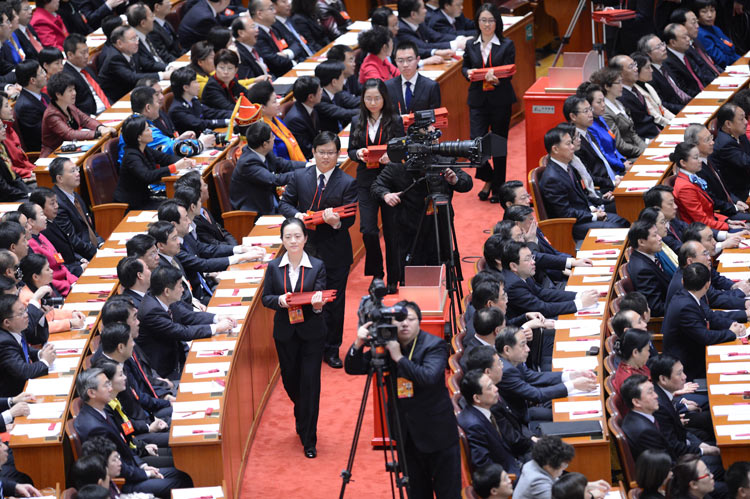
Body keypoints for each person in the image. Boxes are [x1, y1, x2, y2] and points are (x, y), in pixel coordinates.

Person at [346, 300, 461, 498]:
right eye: (399, 320)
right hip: (406, 436)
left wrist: (399, 358)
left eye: (410, 319)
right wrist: (359, 343)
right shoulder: (388, 343)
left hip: (438, 435)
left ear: (419, 321)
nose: (405, 324)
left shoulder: (434, 345)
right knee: (416, 493)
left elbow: (429, 377)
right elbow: (352, 367)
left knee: (448, 494)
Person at [280, 132, 356, 368]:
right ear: (313, 152)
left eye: (331, 153)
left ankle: (332, 348)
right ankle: (307, 346)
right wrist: (297, 216)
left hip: (335, 250)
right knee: (306, 299)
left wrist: (336, 221)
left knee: (334, 301)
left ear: (338, 154)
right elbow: (285, 203)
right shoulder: (299, 176)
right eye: (321, 152)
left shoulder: (347, 182)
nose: (325, 157)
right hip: (305, 250)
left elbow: (350, 219)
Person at [260, 217, 326, 458]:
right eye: (288, 237)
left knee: (310, 384)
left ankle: (309, 438)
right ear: (282, 240)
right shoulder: (274, 267)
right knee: (291, 382)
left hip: (311, 333)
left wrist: (318, 306)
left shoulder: (317, 266)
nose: (293, 240)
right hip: (285, 333)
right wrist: (280, 300)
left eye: (297, 236)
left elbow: (321, 300)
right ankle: (301, 411)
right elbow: (266, 298)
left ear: (305, 238)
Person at [74, 368, 193, 497]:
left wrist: (142, 466)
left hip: (133, 467)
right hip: (125, 482)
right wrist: (144, 473)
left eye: (109, 383)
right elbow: (112, 466)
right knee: (180, 481)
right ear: (91, 393)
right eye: (106, 385)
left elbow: (123, 444)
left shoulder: (100, 411)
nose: (110, 388)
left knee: (183, 474)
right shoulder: (94, 427)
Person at [349, 78, 404, 292]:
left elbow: (403, 148)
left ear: (384, 99)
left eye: (376, 98)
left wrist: (392, 156)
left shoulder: (394, 120)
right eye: (368, 98)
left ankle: (394, 277)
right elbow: (351, 151)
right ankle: (377, 274)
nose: (372, 102)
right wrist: (359, 154)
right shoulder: (357, 121)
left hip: (390, 179)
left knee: (392, 231)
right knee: (368, 230)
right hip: (366, 180)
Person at [137, 265, 234, 380]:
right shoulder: (151, 311)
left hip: (177, 357)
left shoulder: (163, 297)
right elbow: (181, 332)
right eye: (180, 286)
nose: (183, 290)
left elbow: (188, 316)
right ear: (167, 291)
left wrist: (217, 318)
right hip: (165, 371)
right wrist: (216, 328)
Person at [461, 3, 514, 202]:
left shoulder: (507, 44)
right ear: (477, 22)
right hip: (477, 100)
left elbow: (510, 71)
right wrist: (467, 73)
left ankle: (499, 187)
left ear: (497, 22)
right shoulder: (470, 44)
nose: (487, 24)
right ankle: (490, 178)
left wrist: (498, 79)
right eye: (483, 20)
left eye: (491, 20)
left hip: (500, 99)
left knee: (499, 144)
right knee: (475, 145)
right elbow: (465, 66)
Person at [538, 126, 629, 240]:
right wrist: (593, 216)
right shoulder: (552, 178)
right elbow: (565, 213)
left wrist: (595, 206)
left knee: (623, 220)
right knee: (617, 228)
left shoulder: (567, 166)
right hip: (572, 226)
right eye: (568, 144)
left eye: (572, 143)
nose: (572, 147)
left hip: (583, 215)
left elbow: (582, 195)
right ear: (555, 149)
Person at [496, 327, 597, 427]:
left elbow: (533, 377)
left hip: (528, 408)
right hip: (520, 422)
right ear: (507, 350)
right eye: (523, 345)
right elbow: (537, 395)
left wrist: (571, 375)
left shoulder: (512, 360)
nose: (528, 349)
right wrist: (573, 385)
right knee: (568, 421)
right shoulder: (506, 371)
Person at [663, 262, 743, 380]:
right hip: (687, 368)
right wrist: (731, 333)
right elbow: (705, 337)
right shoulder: (686, 306)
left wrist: (732, 324)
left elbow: (709, 316)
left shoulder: (686, 295)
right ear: (707, 285)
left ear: (683, 282)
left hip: (695, 353)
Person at [650, 355, 722, 465]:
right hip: (679, 463)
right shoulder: (659, 406)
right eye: (679, 373)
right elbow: (674, 446)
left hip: (686, 445)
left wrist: (700, 445)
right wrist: (702, 450)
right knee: (728, 464)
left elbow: (682, 432)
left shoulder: (662, 394)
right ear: (663, 379)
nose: (684, 377)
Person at [114, 115, 192, 210]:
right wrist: (174, 167)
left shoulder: (144, 149)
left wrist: (183, 161)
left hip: (144, 198)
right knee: (176, 208)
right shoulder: (131, 156)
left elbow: (164, 158)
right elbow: (148, 176)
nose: (151, 132)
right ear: (139, 137)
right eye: (147, 130)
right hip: (131, 205)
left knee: (181, 202)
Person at [230, 120, 305, 215]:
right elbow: (274, 180)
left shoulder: (264, 151)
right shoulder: (247, 162)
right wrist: (302, 173)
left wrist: (307, 165)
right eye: (272, 137)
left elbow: (282, 164)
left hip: (269, 200)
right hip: (254, 213)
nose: (274, 139)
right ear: (265, 144)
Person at [458, 369, 522, 474]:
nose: (496, 389)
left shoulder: (484, 409)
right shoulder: (474, 425)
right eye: (489, 388)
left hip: (513, 461)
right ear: (477, 398)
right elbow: (484, 466)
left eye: (493, 384)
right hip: (509, 476)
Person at [685, 123, 750, 221]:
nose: (712, 142)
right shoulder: (696, 170)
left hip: (730, 204)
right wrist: (734, 207)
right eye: (707, 140)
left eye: (711, 137)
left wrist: (736, 201)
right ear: (694, 146)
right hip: (721, 215)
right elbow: (712, 200)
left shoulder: (708, 157)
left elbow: (724, 188)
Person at [40, 72, 114, 157]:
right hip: (54, 155)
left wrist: (101, 128)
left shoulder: (69, 105)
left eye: (74, 89)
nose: (74, 93)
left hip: (72, 150)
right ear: (58, 94)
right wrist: (98, 133)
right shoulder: (51, 115)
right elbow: (69, 134)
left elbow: (86, 120)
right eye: (70, 90)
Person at [672, 141, 739, 231]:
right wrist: (728, 226)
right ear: (683, 163)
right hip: (703, 232)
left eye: (699, 156)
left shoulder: (692, 178)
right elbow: (702, 221)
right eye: (696, 158)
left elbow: (708, 212)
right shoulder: (685, 188)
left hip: (712, 223)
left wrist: (727, 220)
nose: (700, 161)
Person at [0, 293, 56, 397]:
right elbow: (24, 371)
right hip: (14, 398)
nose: (26, 315)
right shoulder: (3, 343)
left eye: (25, 309)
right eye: (20, 313)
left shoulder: (16, 329)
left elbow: (24, 350)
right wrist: (45, 361)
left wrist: (40, 353)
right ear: (7, 322)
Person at [18, 252, 84, 339]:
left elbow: (50, 313)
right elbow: (42, 327)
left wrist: (71, 314)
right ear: (35, 277)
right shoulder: (28, 298)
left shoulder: (38, 289)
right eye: (47, 269)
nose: (52, 271)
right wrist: (70, 323)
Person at [99, 25, 172, 103]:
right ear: (120, 43)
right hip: (116, 100)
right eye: (133, 39)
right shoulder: (114, 58)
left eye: (137, 37)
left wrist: (168, 67)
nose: (137, 42)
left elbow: (147, 64)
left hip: (134, 91)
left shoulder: (131, 49)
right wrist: (162, 75)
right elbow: (132, 77)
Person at [563, 95, 620, 195]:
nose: (591, 114)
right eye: (586, 111)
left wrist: (615, 177)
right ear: (573, 116)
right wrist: (612, 183)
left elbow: (602, 161)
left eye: (590, 109)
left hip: (613, 179)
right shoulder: (574, 143)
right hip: (602, 190)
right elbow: (587, 176)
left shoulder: (587, 133)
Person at [21, 201, 78, 295]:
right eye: (42, 215)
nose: (45, 218)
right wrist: (68, 287)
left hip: (69, 282)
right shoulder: (30, 245)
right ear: (31, 221)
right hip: (59, 290)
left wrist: (73, 281)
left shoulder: (41, 236)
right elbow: (44, 276)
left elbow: (60, 263)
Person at [589, 67, 646, 160]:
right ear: (607, 87)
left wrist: (646, 148)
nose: (622, 86)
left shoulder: (619, 103)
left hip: (636, 150)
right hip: (627, 156)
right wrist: (643, 152)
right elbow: (619, 145)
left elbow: (632, 133)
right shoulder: (605, 112)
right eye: (618, 82)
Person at [247, 80, 307, 161]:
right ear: (262, 108)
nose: (278, 104)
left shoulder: (276, 119)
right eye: (274, 102)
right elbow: (275, 162)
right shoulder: (262, 132)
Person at [175, 171, 237, 246]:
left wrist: (235, 245)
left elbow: (221, 230)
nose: (207, 187)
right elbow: (211, 245)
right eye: (204, 185)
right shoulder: (193, 219)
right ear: (198, 192)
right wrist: (234, 249)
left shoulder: (203, 209)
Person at [609, 54, 661, 140]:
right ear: (619, 74)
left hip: (655, 132)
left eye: (635, 65)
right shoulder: (620, 96)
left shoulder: (635, 89)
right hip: (645, 139)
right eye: (631, 67)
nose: (636, 69)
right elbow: (638, 127)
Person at [168, 66, 230, 135]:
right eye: (195, 82)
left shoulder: (193, 100)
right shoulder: (177, 110)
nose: (198, 85)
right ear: (186, 87)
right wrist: (226, 121)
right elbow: (199, 124)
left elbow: (210, 112)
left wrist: (233, 115)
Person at [638, 33, 690, 114]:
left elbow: (682, 88)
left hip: (688, 103)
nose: (663, 48)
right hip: (676, 113)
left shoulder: (665, 64)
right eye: (658, 47)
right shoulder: (649, 75)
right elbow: (662, 104)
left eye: (662, 44)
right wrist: (685, 108)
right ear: (648, 54)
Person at [627, 220, 671, 316]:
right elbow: (656, 308)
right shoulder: (643, 270)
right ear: (641, 242)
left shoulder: (645, 257)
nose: (660, 238)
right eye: (655, 235)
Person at [386, 40, 441, 115]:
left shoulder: (431, 87)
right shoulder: (388, 86)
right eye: (400, 61)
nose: (405, 65)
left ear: (418, 60)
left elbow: (436, 118)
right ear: (395, 62)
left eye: (409, 60)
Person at [396, 0, 465, 60]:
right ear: (413, 14)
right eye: (423, 8)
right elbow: (423, 46)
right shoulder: (401, 30)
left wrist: (460, 39)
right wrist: (456, 44)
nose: (426, 11)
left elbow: (437, 36)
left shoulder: (419, 23)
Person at [62, 33, 109, 116]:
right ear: (70, 55)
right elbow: (73, 109)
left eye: (87, 51)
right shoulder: (66, 77)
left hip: (108, 107)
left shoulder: (85, 67)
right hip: (93, 116)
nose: (87, 56)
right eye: (83, 53)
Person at [711, 103, 750, 202]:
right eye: (741, 119)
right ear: (728, 124)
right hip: (739, 193)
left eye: (745, 117)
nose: (746, 122)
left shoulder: (739, 133)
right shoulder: (725, 144)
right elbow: (747, 162)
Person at [662, 23, 711, 98]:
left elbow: (701, 73)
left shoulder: (688, 50)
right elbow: (683, 89)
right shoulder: (667, 62)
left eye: (688, 35)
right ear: (673, 42)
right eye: (684, 37)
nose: (688, 39)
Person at [250, 0, 296, 77]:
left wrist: (286, 54)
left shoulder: (274, 27)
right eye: (271, 8)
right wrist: (293, 62)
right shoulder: (256, 34)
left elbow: (295, 43)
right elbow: (274, 61)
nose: (274, 11)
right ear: (260, 14)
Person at [631, 51, 675, 129]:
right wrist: (673, 124)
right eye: (648, 67)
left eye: (651, 67)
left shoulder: (648, 85)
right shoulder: (636, 91)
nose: (651, 70)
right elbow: (655, 116)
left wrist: (677, 120)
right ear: (637, 70)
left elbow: (662, 108)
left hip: (666, 124)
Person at [14, 59, 49, 152]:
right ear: (32, 80)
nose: (45, 74)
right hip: (44, 151)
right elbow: (44, 134)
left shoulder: (44, 96)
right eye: (41, 72)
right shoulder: (25, 106)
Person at [314, 60, 358, 134]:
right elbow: (344, 114)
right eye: (342, 77)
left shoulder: (337, 92)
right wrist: (368, 110)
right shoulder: (320, 99)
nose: (344, 80)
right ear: (334, 82)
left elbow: (353, 101)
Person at [283, 76, 322, 159]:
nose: (322, 92)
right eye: (319, 90)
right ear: (311, 97)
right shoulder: (296, 120)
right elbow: (307, 150)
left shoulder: (311, 107)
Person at [694, 0, 739, 68]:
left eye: (712, 10)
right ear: (697, 14)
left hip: (736, 62)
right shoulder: (700, 34)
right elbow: (720, 60)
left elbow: (731, 48)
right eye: (704, 12)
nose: (710, 15)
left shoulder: (715, 28)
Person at [612, 328, 651, 394]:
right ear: (635, 352)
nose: (649, 354)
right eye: (647, 350)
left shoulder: (638, 365)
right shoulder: (630, 382)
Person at [231, 15, 270, 79]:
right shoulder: (238, 54)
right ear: (241, 33)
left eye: (256, 26)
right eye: (253, 27)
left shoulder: (255, 46)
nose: (257, 30)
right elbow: (250, 78)